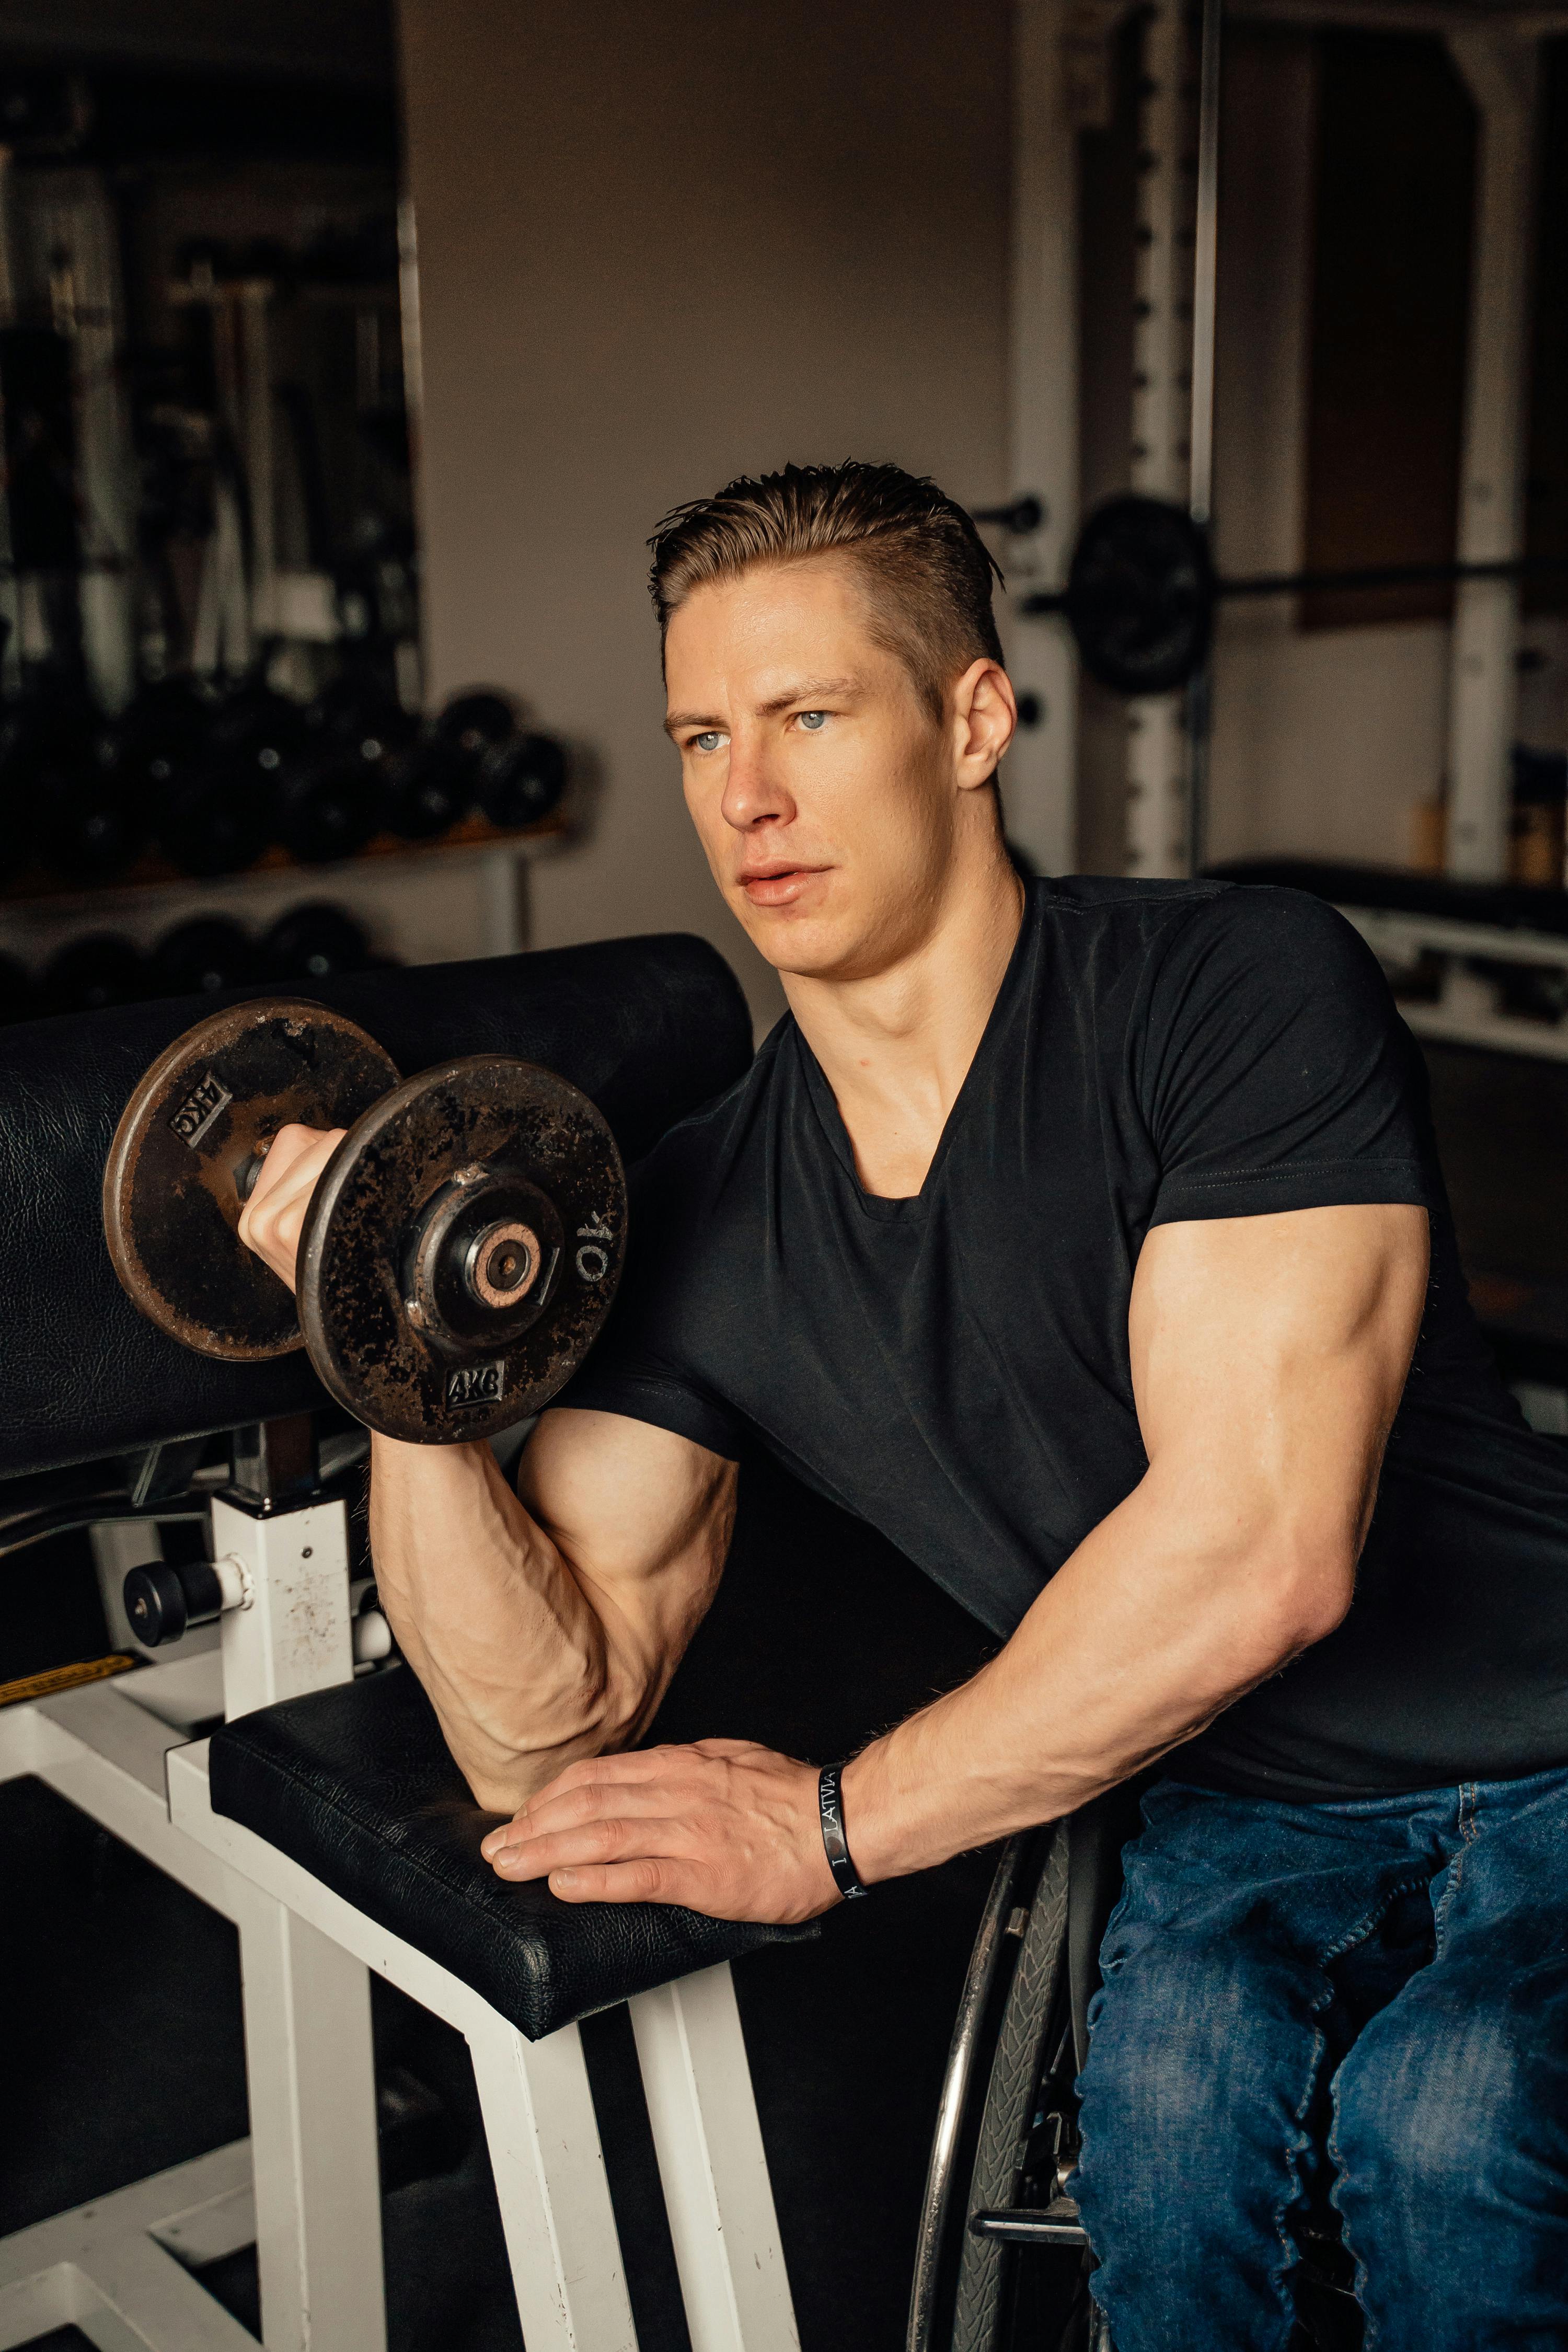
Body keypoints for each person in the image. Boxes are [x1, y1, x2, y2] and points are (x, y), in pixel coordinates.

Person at [238, 461, 1568, 2349]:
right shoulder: (707, 1208)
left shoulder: (1234, 989)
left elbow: (1263, 1549)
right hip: (1240, 1795)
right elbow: (541, 1732)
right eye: (704, 733)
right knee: (1171, 2146)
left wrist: (837, 1825)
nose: (745, 796)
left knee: (1453, 2119)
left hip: (1545, 1720)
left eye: (806, 716)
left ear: (971, 720)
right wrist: (399, 1358)